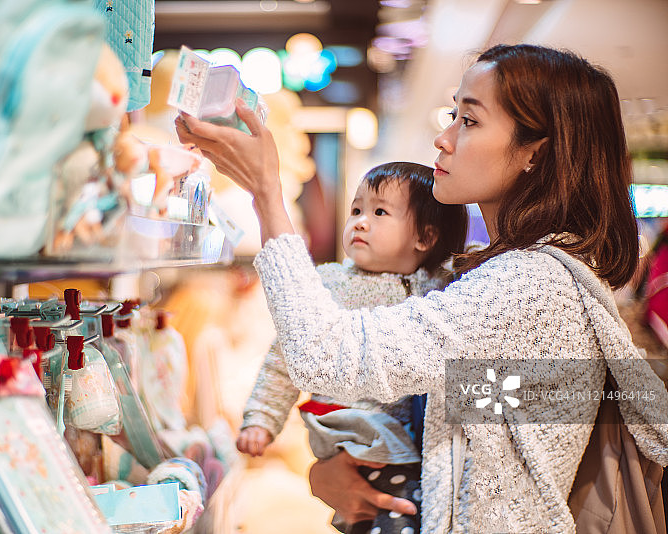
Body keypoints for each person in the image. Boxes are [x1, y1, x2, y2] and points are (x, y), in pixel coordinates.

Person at [176, 44, 668, 533]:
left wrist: (267, 192)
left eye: (469, 121)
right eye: (453, 114)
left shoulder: (529, 285)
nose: (443, 138)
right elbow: (495, 411)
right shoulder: (531, 279)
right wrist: (335, 472)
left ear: (534, 152)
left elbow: (324, 354)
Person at [237, 162, 468, 534]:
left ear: (424, 238)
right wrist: (261, 419)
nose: (360, 221)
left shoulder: (437, 289)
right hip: (342, 432)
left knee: (386, 515)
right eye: (357, 210)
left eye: (379, 212)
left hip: (399, 444)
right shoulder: (326, 283)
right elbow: (285, 358)